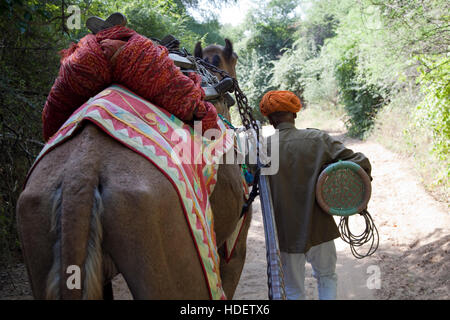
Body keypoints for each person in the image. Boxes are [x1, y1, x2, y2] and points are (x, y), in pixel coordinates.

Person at [259, 90, 372, 300]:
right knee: (327, 277)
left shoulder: (262, 148)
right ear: (294, 114)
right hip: (320, 230)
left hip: (285, 234)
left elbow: (246, 180)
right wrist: (342, 181)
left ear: (270, 119)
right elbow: (360, 161)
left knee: (293, 290)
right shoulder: (318, 139)